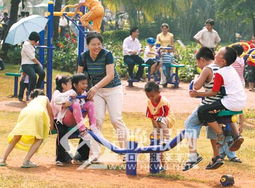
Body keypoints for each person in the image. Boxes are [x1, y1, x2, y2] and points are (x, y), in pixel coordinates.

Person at [77, 32, 128, 161]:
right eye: (93, 44)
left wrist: (94, 87)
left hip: (113, 89)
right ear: (88, 45)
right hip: (97, 92)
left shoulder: (107, 55)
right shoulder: (83, 57)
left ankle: (126, 152)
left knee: (116, 119)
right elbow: (79, 76)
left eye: (99, 44)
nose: (97, 47)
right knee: (96, 121)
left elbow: (110, 75)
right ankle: (95, 153)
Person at [194, 47, 246, 168]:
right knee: (220, 111)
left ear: (223, 61)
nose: (215, 54)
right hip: (240, 102)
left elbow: (213, 92)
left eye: (218, 54)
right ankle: (236, 136)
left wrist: (198, 94)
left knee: (203, 110)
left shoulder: (220, 73)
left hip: (230, 101)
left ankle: (219, 133)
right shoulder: (231, 69)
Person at [183, 47, 223, 171]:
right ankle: (217, 156)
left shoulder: (207, 69)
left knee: (189, 123)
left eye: (197, 62)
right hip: (220, 105)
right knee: (213, 129)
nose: (198, 65)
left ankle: (193, 156)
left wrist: (196, 79)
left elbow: (196, 86)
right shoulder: (220, 68)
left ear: (201, 60)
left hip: (207, 105)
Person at [51, 74, 99, 166]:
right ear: (75, 85)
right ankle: (60, 159)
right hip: (65, 120)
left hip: (77, 122)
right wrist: (65, 102)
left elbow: (88, 106)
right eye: (82, 84)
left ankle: (81, 157)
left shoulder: (85, 93)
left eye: (86, 83)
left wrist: (89, 100)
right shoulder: (70, 92)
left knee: (90, 105)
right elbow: (56, 99)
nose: (85, 86)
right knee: (62, 133)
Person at [0, 89, 54, 168]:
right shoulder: (45, 98)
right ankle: (26, 161)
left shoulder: (32, 101)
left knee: (17, 136)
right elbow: (51, 113)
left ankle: (3, 159)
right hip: (37, 113)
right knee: (39, 138)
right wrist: (51, 125)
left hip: (24, 112)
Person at [145, 81, 175, 170]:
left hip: (168, 120)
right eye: (148, 96)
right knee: (158, 146)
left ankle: (167, 138)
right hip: (158, 122)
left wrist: (161, 132)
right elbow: (151, 117)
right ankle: (163, 166)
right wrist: (155, 130)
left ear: (158, 92)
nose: (151, 98)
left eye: (152, 96)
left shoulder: (163, 102)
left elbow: (161, 117)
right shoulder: (149, 102)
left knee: (159, 119)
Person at [21, 32, 45, 96]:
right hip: (26, 65)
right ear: (33, 40)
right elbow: (32, 58)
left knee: (42, 73)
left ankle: (37, 89)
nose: (36, 42)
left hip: (33, 64)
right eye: (36, 41)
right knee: (33, 76)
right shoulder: (26, 45)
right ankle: (31, 92)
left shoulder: (31, 44)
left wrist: (34, 45)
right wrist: (39, 63)